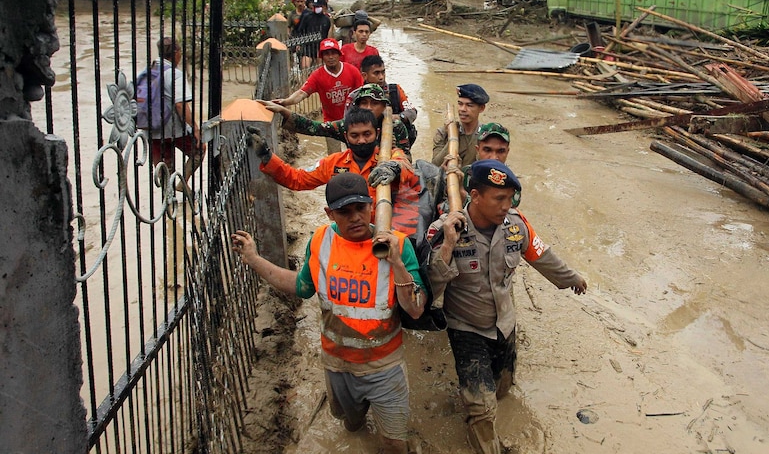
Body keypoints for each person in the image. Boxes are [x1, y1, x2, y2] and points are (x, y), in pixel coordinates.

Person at [231, 173, 427, 454]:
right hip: (338, 366)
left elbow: (416, 309)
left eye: (360, 208)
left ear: (371, 205)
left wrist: (396, 263)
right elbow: (300, 287)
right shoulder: (321, 241)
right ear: (329, 213)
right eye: (344, 212)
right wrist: (254, 259)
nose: (355, 217)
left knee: (395, 442)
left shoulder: (396, 244)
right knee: (351, 425)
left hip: (384, 368)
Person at [426, 160, 588, 454]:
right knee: (482, 406)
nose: (506, 205)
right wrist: (448, 246)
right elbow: (431, 287)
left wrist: (572, 278)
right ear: (474, 196)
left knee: (504, 386)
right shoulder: (446, 230)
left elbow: (542, 256)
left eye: (510, 198)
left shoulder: (516, 226)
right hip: (466, 327)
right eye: (499, 198)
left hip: (504, 324)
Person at [249, 107, 422, 237]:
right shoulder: (334, 163)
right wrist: (267, 157)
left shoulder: (390, 156)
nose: (361, 141)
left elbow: (406, 168)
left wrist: (393, 168)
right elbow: (298, 179)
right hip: (350, 234)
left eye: (367, 134)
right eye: (355, 136)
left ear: (376, 134)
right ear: (346, 137)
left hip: (387, 232)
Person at [260, 83, 414, 158]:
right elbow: (315, 128)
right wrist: (284, 111)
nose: (369, 108)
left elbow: (406, 157)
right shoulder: (348, 125)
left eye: (374, 103)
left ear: (383, 106)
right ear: (357, 105)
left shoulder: (395, 126)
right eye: (364, 103)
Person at [270, 37, 362, 154]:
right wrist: (286, 101)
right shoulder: (317, 76)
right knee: (334, 156)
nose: (331, 57)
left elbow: (361, 94)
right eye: (326, 54)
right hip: (331, 123)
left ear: (339, 54)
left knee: (356, 152)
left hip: (352, 119)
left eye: (333, 53)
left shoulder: (352, 71)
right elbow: (302, 93)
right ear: (322, 57)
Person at [143, 37, 206, 184]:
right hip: (173, 130)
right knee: (199, 150)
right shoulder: (174, 74)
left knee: (164, 168)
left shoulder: (147, 72)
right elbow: (181, 105)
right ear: (176, 53)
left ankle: (168, 202)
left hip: (152, 129)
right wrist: (195, 128)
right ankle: (182, 183)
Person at [356, 55, 418, 148]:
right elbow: (349, 124)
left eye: (383, 72)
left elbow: (412, 112)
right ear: (365, 76)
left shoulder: (395, 90)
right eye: (376, 73)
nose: (381, 77)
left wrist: (398, 117)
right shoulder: (356, 96)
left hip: (397, 145)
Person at [431, 84, 489, 167]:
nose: (462, 109)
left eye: (469, 105)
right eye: (460, 104)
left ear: (481, 108)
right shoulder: (443, 132)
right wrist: (452, 136)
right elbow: (434, 165)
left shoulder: (486, 135)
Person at [294, 0, 332, 68]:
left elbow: (327, 35)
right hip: (308, 46)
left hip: (320, 47)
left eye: (318, 6)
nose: (316, 8)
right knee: (305, 66)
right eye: (315, 7)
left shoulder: (326, 20)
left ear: (322, 7)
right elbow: (300, 30)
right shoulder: (307, 17)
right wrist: (298, 44)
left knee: (320, 68)